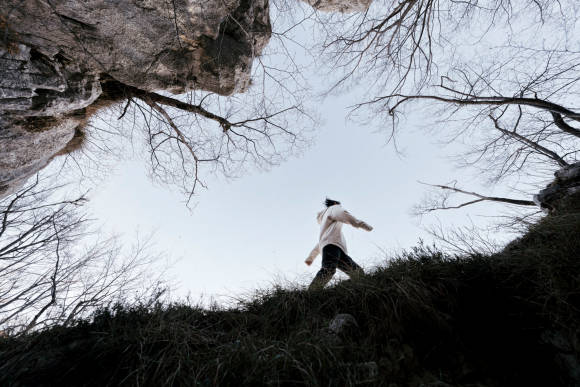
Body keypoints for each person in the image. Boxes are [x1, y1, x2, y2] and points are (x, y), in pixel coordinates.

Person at [306, 198, 373, 290]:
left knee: (358, 273)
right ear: (334, 203)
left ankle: (342, 288)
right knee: (328, 270)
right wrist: (363, 225)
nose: (341, 207)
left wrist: (311, 257)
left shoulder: (327, 226)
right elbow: (343, 214)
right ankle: (311, 293)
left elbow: (321, 243)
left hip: (336, 249)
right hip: (332, 247)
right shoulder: (334, 208)